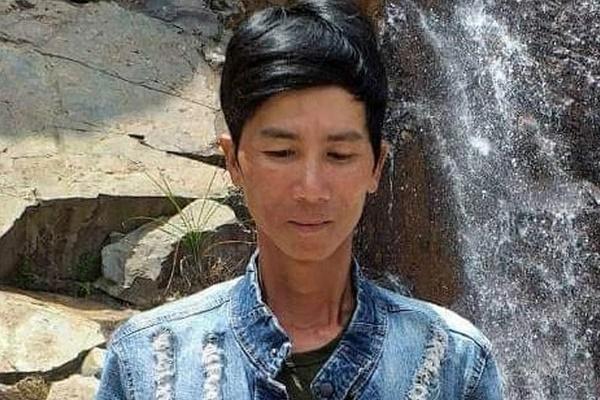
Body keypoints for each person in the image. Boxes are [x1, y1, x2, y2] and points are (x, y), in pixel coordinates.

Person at [96, 0, 504, 399]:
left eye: (339, 155)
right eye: (281, 153)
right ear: (233, 160)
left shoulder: (455, 364)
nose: (311, 190)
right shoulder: (149, 364)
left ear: (377, 166)